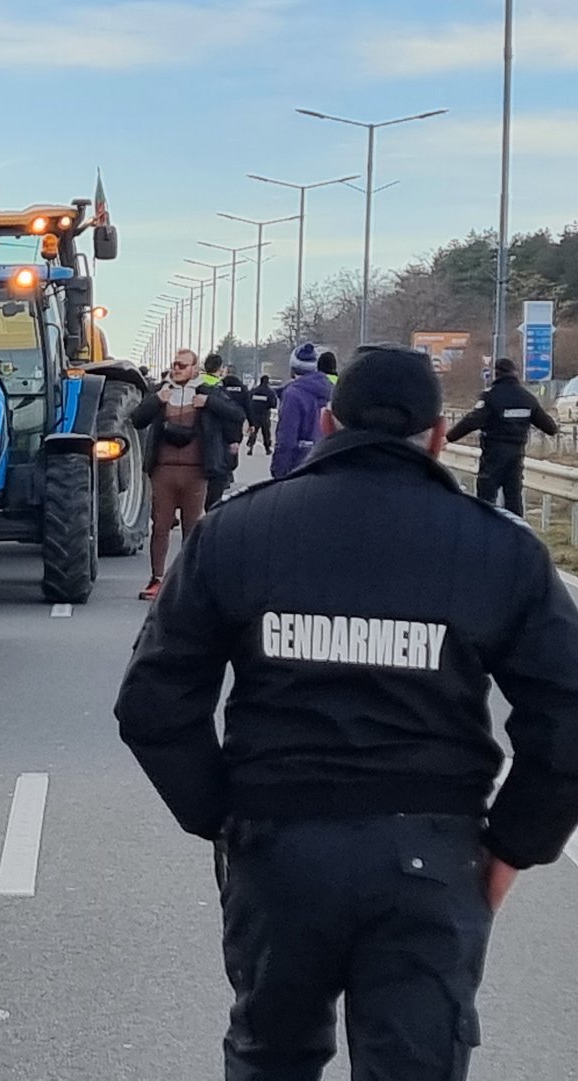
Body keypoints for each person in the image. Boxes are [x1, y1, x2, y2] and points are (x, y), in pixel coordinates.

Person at [115, 344, 578, 1081]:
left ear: (328, 421)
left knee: (272, 1057)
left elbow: (152, 703)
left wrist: (225, 814)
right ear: (435, 435)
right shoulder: (501, 552)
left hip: (279, 848)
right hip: (431, 856)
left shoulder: (237, 533)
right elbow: (566, 716)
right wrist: (514, 844)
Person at [129, 349, 244, 600]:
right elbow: (137, 419)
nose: (177, 369)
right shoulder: (161, 390)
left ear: (195, 368)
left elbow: (237, 415)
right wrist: (157, 400)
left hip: (196, 471)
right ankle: (157, 578)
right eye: (174, 364)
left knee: (192, 528)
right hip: (163, 470)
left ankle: (186, 582)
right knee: (160, 526)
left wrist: (210, 403)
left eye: (182, 365)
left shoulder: (208, 391)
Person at [446, 356, 558, 516]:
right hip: (516, 455)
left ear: (496, 374)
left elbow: (471, 421)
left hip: (493, 455)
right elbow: (550, 427)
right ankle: (516, 536)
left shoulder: (491, 396)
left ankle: (485, 535)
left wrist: (448, 438)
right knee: (513, 499)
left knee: (486, 501)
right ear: (514, 373)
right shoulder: (527, 398)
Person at [269, 343, 334, 477]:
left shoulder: (293, 394)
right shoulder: (333, 390)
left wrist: (279, 470)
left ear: (293, 368)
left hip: (299, 466)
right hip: (327, 464)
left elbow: (287, 437)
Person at [201, 354, 248, 507]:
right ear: (220, 369)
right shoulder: (220, 389)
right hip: (216, 450)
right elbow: (236, 415)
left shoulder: (192, 386)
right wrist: (235, 439)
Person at [243, 374, 277, 453]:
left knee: (253, 432)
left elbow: (248, 400)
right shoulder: (270, 392)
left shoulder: (253, 391)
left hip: (254, 415)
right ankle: (267, 449)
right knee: (266, 433)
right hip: (264, 415)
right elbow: (273, 404)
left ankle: (250, 447)